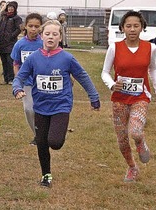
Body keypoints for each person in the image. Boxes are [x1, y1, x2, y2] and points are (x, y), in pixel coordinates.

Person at [12, 19, 100, 188]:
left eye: (54, 34)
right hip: (41, 106)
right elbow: (20, 77)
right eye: (47, 34)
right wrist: (16, 88)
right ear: (41, 36)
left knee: (55, 142)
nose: (50, 37)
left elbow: (82, 76)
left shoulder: (67, 58)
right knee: (42, 142)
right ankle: (46, 175)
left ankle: (58, 131)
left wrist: (94, 97)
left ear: (60, 37)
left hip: (61, 105)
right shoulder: (33, 58)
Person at [100, 11, 156, 182]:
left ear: (142, 27)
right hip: (120, 99)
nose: (132, 29)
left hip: (140, 97)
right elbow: (105, 72)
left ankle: (140, 142)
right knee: (122, 140)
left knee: (135, 132)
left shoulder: (150, 47)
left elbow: (152, 69)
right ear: (122, 28)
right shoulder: (115, 47)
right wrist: (112, 85)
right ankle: (132, 167)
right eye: (128, 26)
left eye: (136, 25)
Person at [11, 13, 43, 145]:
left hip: (41, 82)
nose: (33, 29)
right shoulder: (20, 44)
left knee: (41, 110)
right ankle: (38, 135)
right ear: (25, 26)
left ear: (41, 27)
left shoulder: (43, 43)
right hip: (27, 83)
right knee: (29, 109)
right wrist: (18, 81)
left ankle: (43, 133)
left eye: (36, 26)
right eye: (30, 26)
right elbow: (16, 63)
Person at [0, 1, 22, 85]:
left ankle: (11, 79)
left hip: (11, 43)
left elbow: (19, 29)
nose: (10, 9)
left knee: (9, 61)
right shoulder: (3, 17)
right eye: (9, 7)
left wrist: (11, 36)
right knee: (3, 61)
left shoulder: (17, 18)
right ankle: (6, 78)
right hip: (2, 43)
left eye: (12, 7)